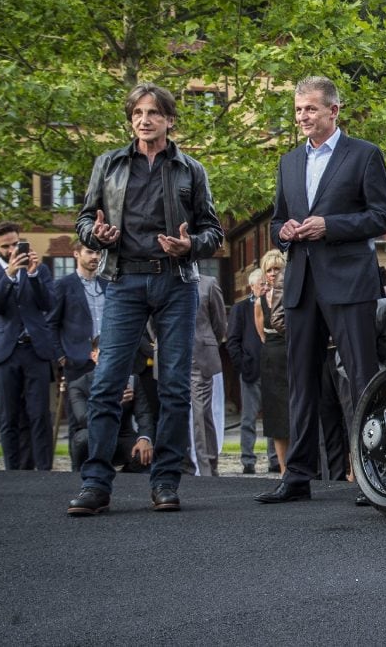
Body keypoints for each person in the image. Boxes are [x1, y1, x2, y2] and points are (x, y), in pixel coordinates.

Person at [68, 82, 224, 516]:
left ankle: (165, 482)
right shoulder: (109, 164)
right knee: (106, 384)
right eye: (137, 113)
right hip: (123, 281)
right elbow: (83, 220)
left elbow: (214, 233)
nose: (144, 120)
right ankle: (96, 484)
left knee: (174, 386)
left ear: (169, 120)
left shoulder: (190, 169)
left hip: (175, 283)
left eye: (153, 112)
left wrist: (188, 245)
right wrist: (95, 235)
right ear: (131, 120)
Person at [257, 75, 386, 504]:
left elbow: (382, 216)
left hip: (349, 282)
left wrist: (329, 226)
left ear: (333, 111)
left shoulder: (365, 155)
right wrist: (287, 232)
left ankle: (374, 473)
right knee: (301, 382)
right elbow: (276, 221)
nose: (303, 117)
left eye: (311, 109)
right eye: (298, 110)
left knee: (361, 380)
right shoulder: (287, 162)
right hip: (300, 283)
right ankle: (297, 474)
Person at [0, 221, 56, 470]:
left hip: (35, 349)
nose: (12, 249)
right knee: (8, 417)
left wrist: (32, 274)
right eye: (6, 246)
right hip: (4, 353)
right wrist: (9, 275)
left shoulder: (39, 270)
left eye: (15, 243)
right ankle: (11, 473)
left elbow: (48, 304)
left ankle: (44, 472)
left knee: (40, 415)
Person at [47, 240, 108, 469]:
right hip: (77, 360)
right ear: (76, 254)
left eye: (98, 252)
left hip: (107, 359)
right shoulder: (63, 285)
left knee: (110, 413)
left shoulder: (107, 284)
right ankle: (78, 470)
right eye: (90, 252)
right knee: (78, 420)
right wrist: (61, 356)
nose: (95, 256)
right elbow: (51, 324)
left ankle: (103, 466)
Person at [69, 337, 153, 473]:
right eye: (105, 353)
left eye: (115, 353)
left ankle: (126, 480)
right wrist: (114, 402)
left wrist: (145, 438)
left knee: (143, 451)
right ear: (94, 356)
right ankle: (80, 478)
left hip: (122, 436)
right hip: (93, 436)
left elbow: (144, 414)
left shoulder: (131, 380)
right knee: (82, 439)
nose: (111, 358)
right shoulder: (79, 385)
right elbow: (84, 420)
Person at [226, 268, 265, 475]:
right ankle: (248, 460)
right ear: (252, 286)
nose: (264, 287)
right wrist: (242, 364)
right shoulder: (240, 309)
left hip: (273, 369)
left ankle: (276, 459)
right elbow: (232, 341)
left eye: (266, 283)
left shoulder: (273, 304)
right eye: (261, 284)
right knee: (248, 419)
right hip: (250, 370)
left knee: (275, 418)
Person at [188, 273, 226, 476]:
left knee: (202, 414)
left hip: (199, 356)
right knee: (172, 411)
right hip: (170, 354)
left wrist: (207, 343)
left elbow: (219, 324)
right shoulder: (163, 281)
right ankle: (181, 466)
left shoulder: (208, 284)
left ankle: (207, 470)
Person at [258, 249, 290, 475]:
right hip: (271, 361)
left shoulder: (291, 295)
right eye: (268, 270)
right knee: (278, 419)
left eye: (276, 269)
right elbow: (262, 333)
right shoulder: (259, 302)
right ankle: (283, 468)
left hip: (292, 355)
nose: (272, 274)